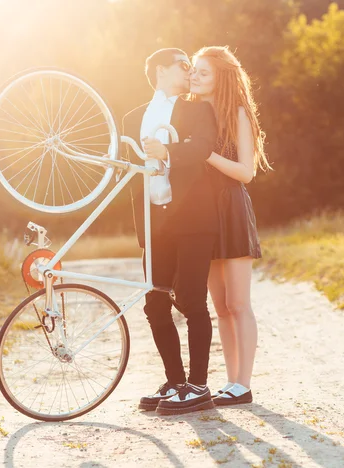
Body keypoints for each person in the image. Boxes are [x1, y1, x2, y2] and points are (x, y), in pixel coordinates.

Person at [122, 48, 219, 415]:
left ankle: (198, 386)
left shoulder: (198, 109)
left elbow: (202, 147)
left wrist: (166, 150)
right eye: (183, 65)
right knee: (155, 303)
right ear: (161, 70)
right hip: (154, 222)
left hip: (194, 219)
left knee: (192, 299)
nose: (190, 71)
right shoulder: (132, 117)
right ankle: (175, 381)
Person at [190, 45, 272, 406]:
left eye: (203, 72)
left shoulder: (237, 113)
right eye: (193, 70)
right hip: (203, 213)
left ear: (220, 77)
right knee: (219, 306)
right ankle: (230, 382)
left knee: (239, 304)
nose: (194, 76)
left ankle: (244, 384)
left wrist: (205, 154)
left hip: (232, 211)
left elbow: (246, 172)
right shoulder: (192, 113)